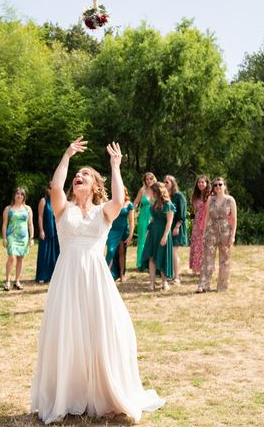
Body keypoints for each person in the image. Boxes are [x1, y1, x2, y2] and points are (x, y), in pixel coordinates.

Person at [30, 136, 164, 424]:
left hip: (96, 279)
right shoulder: (62, 208)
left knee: (101, 332)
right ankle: (69, 394)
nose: (79, 177)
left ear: (94, 186)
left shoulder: (104, 212)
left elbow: (118, 200)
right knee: (68, 334)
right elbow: (55, 186)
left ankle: (104, 394)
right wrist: (67, 156)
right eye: (77, 175)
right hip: (66, 279)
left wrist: (115, 166)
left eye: (85, 175)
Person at [197, 177, 237, 293]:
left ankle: (222, 286)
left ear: (224, 186)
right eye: (215, 185)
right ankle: (204, 285)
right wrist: (204, 233)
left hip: (225, 231)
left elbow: (234, 220)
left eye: (220, 184)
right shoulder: (211, 199)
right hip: (211, 231)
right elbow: (207, 218)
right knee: (207, 258)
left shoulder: (230, 200)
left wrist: (233, 235)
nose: (218, 187)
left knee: (225, 259)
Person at [140, 182, 175, 291]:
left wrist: (165, 236)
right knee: (151, 257)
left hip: (163, 232)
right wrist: (147, 234)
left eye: (153, 191)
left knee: (162, 256)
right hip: (153, 232)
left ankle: (164, 282)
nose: (152, 194)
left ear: (157, 191)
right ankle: (151, 282)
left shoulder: (168, 204)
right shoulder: (153, 203)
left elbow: (169, 222)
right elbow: (152, 219)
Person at [1, 187, 34, 291]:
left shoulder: (27, 209)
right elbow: (5, 224)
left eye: (22, 194)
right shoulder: (8, 209)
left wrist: (32, 237)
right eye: (17, 194)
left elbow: (30, 224)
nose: (19, 195)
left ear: (24, 197)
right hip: (11, 235)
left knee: (20, 258)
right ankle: (7, 281)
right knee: (11, 257)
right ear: (14, 195)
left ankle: (17, 281)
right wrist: (4, 238)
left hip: (24, 237)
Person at [105, 187, 135, 281]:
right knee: (110, 251)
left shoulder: (129, 204)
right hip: (112, 230)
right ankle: (106, 273)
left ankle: (122, 274)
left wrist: (130, 235)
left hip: (123, 230)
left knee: (121, 252)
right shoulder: (112, 203)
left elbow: (131, 221)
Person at [164, 175, 188, 285]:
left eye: (167, 182)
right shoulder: (164, 196)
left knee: (173, 252)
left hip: (176, 227)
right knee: (168, 252)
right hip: (166, 227)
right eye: (164, 182)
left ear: (173, 183)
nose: (165, 184)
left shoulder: (179, 196)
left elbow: (182, 213)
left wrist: (177, 226)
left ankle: (177, 277)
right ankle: (170, 275)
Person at [35, 183, 60, 283]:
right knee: (44, 253)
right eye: (50, 188)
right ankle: (42, 276)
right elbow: (40, 216)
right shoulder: (43, 201)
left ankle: (53, 276)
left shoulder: (58, 202)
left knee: (56, 253)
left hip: (57, 231)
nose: (52, 190)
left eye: (54, 188)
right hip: (46, 230)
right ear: (47, 189)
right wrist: (41, 230)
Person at [189, 175, 211, 276]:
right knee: (196, 244)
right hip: (197, 222)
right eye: (199, 182)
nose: (201, 184)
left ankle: (204, 267)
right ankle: (195, 268)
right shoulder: (195, 196)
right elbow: (193, 211)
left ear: (207, 183)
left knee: (204, 244)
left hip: (207, 221)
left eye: (203, 182)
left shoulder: (210, 196)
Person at [133, 172, 156, 269]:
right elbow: (135, 204)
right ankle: (141, 263)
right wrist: (134, 215)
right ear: (145, 181)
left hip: (154, 217)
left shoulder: (157, 190)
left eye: (151, 179)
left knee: (153, 240)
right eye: (147, 179)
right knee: (142, 239)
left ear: (153, 179)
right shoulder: (142, 190)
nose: (149, 181)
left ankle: (152, 263)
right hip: (143, 217)